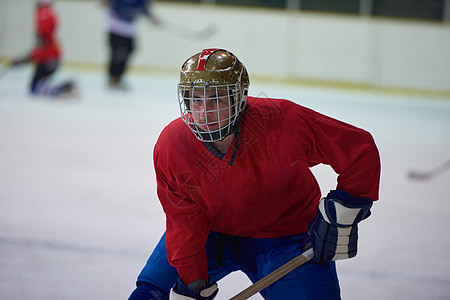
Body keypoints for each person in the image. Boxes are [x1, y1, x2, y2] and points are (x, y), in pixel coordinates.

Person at [129, 48, 381, 300]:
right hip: (210, 234)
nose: (204, 113)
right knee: (150, 296)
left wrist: (343, 211)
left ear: (241, 96)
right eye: (196, 100)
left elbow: (359, 149)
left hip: (287, 236)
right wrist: (191, 283)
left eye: (216, 100)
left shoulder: (283, 121)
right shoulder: (173, 144)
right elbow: (184, 220)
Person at [11, 0, 75, 98]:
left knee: (34, 87)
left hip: (48, 58)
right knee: (36, 86)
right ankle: (63, 88)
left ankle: (62, 89)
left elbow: (42, 43)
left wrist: (27, 58)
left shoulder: (43, 14)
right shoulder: (49, 13)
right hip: (52, 57)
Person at [101, 0, 158, 90]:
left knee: (129, 50)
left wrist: (152, 18)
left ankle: (118, 77)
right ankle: (113, 77)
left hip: (129, 28)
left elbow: (143, 8)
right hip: (115, 25)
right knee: (117, 52)